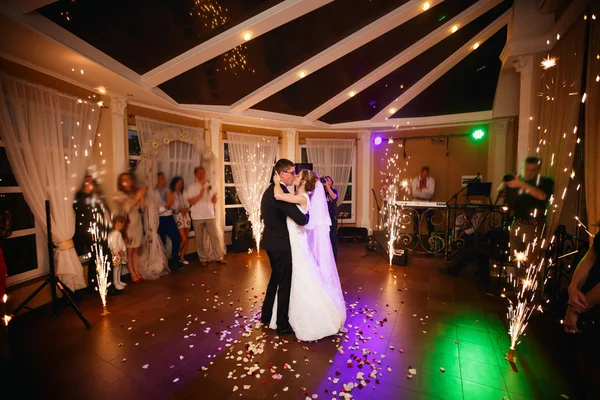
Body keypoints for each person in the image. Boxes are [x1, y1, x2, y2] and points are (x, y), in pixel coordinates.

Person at [266, 170, 346, 341]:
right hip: (293, 243)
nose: (294, 176)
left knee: (300, 278)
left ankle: (313, 319)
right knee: (292, 280)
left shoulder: (302, 198)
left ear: (302, 181)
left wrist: (276, 181)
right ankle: (287, 316)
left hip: (296, 244)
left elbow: (278, 196)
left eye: (297, 175)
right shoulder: (297, 195)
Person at [259, 159, 309, 335]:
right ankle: (282, 324)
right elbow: (301, 219)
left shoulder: (271, 190)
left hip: (272, 242)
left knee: (275, 279)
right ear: (282, 174)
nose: (294, 175)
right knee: (284, 282)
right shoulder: (278, 193)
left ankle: (266, 315)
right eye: (291, 172)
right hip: (280, 244)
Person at [497, 156, 554, 261]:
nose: (529, 173)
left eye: (533, 170)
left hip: (534, 225)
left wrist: (521, 184)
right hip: (517, 222)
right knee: (516, 259)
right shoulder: (519, 182)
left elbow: (542, 196)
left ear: (538, 170)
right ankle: (518, 277)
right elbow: (501, 195)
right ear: (523, 168)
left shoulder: (545, 181)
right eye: (527, 169)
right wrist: (505, 183)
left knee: (532, 260)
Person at [73, 176, 121, 295]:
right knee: (99, 259)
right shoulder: (80, 197)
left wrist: (110, 229)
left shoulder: (99, 197)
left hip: (103, 232)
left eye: (93, 182)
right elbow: (80, 211)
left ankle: (100, 285)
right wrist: (86, 192)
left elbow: (106, 214)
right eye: (88, 182)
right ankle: (102, 286)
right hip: (91, 234)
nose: (91, 184)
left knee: (103, 259)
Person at [185, 166, 226, 267]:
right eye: (199, 173)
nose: (201, 175)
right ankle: (203, 258)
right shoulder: (192, 187)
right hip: (196, 216)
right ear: (195, 175)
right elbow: (190, 202)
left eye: (203, 173)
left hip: (209, 214)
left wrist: (213, 196)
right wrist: (200, 194)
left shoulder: (211, 186)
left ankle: (219, 257)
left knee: (215, 237)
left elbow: (214, 201)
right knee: (199, 239)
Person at [114, 172, 146, 284]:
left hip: (137, 223)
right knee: (130, 250)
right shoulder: (119, 194)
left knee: (136, 249)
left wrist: (141, 195)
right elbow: (127, 208)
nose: (127, 182)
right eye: (124, 180)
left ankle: (137, 271)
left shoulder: (133, 193)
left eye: (128, 179)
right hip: (127, 224)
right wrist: (138, 195)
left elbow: (142, 207)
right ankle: (132, 273)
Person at [155, 172, 182, 270]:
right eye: (161, 178)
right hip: (160, 220)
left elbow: (175, 208)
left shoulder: (168, 192)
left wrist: (173, 202)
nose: (163, 180)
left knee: (176, 239)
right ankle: (162, 264)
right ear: (156, 180)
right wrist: (167, 204)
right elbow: (155, 211)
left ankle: (175, 261)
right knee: (161, 242)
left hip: (170, 219)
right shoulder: (153, 193)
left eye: (164, 178)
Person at [170, 176, 191, 265]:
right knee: (183, 239)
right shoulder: (171, 194)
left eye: (181, 184)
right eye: (178, 183)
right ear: (174, 184)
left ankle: (181, 258)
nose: (180, 185)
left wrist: (185, 209)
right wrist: (179, 210)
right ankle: (174, 256)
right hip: (177, 217)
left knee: (186, 237)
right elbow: (172, 207)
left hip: (186, 216)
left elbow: (188, 204)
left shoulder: (184, 193)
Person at [411, 166, 436, 239]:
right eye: (424, 174)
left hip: (427, 202)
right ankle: (416, 238)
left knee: (429, 220)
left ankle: (431, 238)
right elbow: (414, 193)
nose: (425, 176)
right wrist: (426, 191)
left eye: (426, 174)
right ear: (421, 173)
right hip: (416, 201)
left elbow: (431, 192)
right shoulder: (415, 180)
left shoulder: (431, 180)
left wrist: (421, 189)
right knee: (416, 221)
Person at [107, 216, 128, 291]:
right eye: (118, 225)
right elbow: (114, 244)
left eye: (121, 226)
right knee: (116, 268)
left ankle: (118, 281)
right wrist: (119, 251)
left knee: (119, 267)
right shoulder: (114, 234)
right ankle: (116, 283)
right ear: (114, 224)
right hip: (117, 254)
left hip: (120, 253)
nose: (119, 227)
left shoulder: (118, 233)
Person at [323, 176, 339, 260]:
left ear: (331, 183)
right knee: (325, 236)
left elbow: (333, 197)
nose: (326, 181)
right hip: (324, 217)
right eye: (325, 180)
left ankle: (334, 255)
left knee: (332, 236)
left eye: (328, 180)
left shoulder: (334, 191)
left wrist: (328, 187)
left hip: (332, 216)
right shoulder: (321, 192)